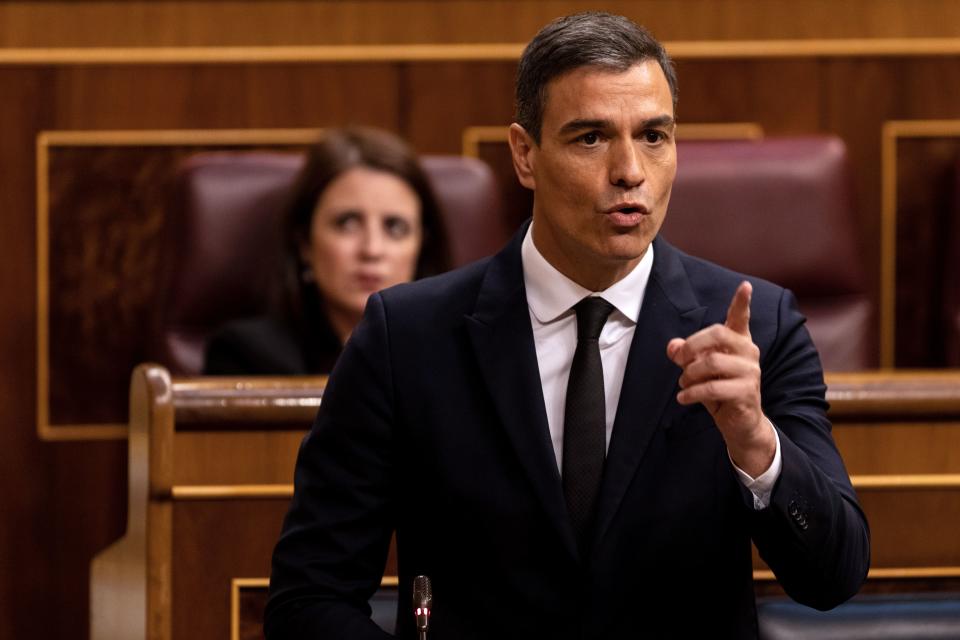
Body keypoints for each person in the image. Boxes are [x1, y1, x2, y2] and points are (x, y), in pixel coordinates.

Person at [264, 12, 870, 639]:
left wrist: (757, 445)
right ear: (525, 154)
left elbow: (834, 577)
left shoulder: (757, 325)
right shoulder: (406, 337)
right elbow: (309, 597)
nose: (630, 170)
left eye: (654, 137)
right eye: (591, 138)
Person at [203, 126, 450, 375]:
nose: (372, 250)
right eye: (348, 223)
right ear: (304, 244)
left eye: (395, 228)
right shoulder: (247, 356)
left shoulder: (456, 353)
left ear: (422, 245)